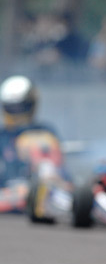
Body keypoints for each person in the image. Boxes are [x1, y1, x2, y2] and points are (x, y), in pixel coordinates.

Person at [0, 76, 63, 211]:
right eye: (12, 108)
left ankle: (47, 188)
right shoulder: (3, 136)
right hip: (9, 187)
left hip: (44, 183)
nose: (17, 112)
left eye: (21, 107)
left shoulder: (45, 131)